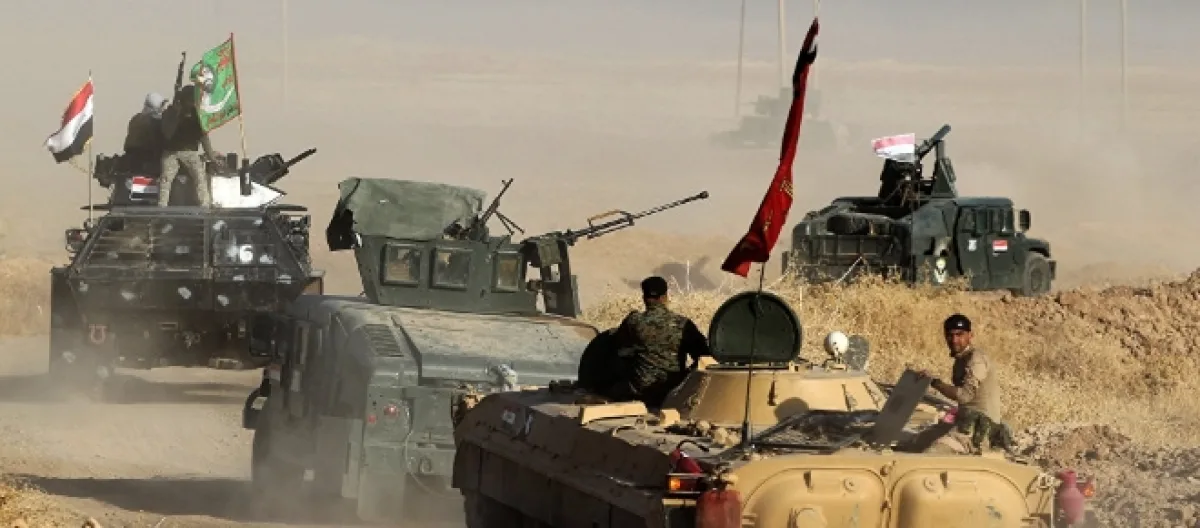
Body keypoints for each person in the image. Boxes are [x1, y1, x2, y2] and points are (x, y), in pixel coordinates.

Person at [601, 276, 710, 407]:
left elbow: (617, 347)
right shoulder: (683, 324)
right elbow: (704, 356)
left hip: (639, 392)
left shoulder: (633, 322)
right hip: (673, 392)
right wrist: (686, 377)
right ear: (665, 297)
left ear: (644, 298)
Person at [919, 313, 1013, 451]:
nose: (954, 340)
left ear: (970, 335)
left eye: (959, 335)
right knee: (918, 441)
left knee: (934, 453)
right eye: (950, 335)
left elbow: (964, 396)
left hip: (980, 429)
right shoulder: (961, 358)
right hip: (965, 422)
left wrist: (936, 383)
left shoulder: (976, 360)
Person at [158, 66, 220, 207]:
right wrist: (175, 112)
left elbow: (204, 137)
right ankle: (161, 207)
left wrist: (211, 157)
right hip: (171, 152)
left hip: (189, 152)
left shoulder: (196, 116)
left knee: (200, 177)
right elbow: (166, 132)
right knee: (165, 180)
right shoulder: (172, 113)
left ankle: (205, 205)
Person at [122, 93, 167, 172]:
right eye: (162, 105)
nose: (164, 108)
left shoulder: (136, 117)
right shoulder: (154, 121)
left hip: (131, 155)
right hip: (145, 156)